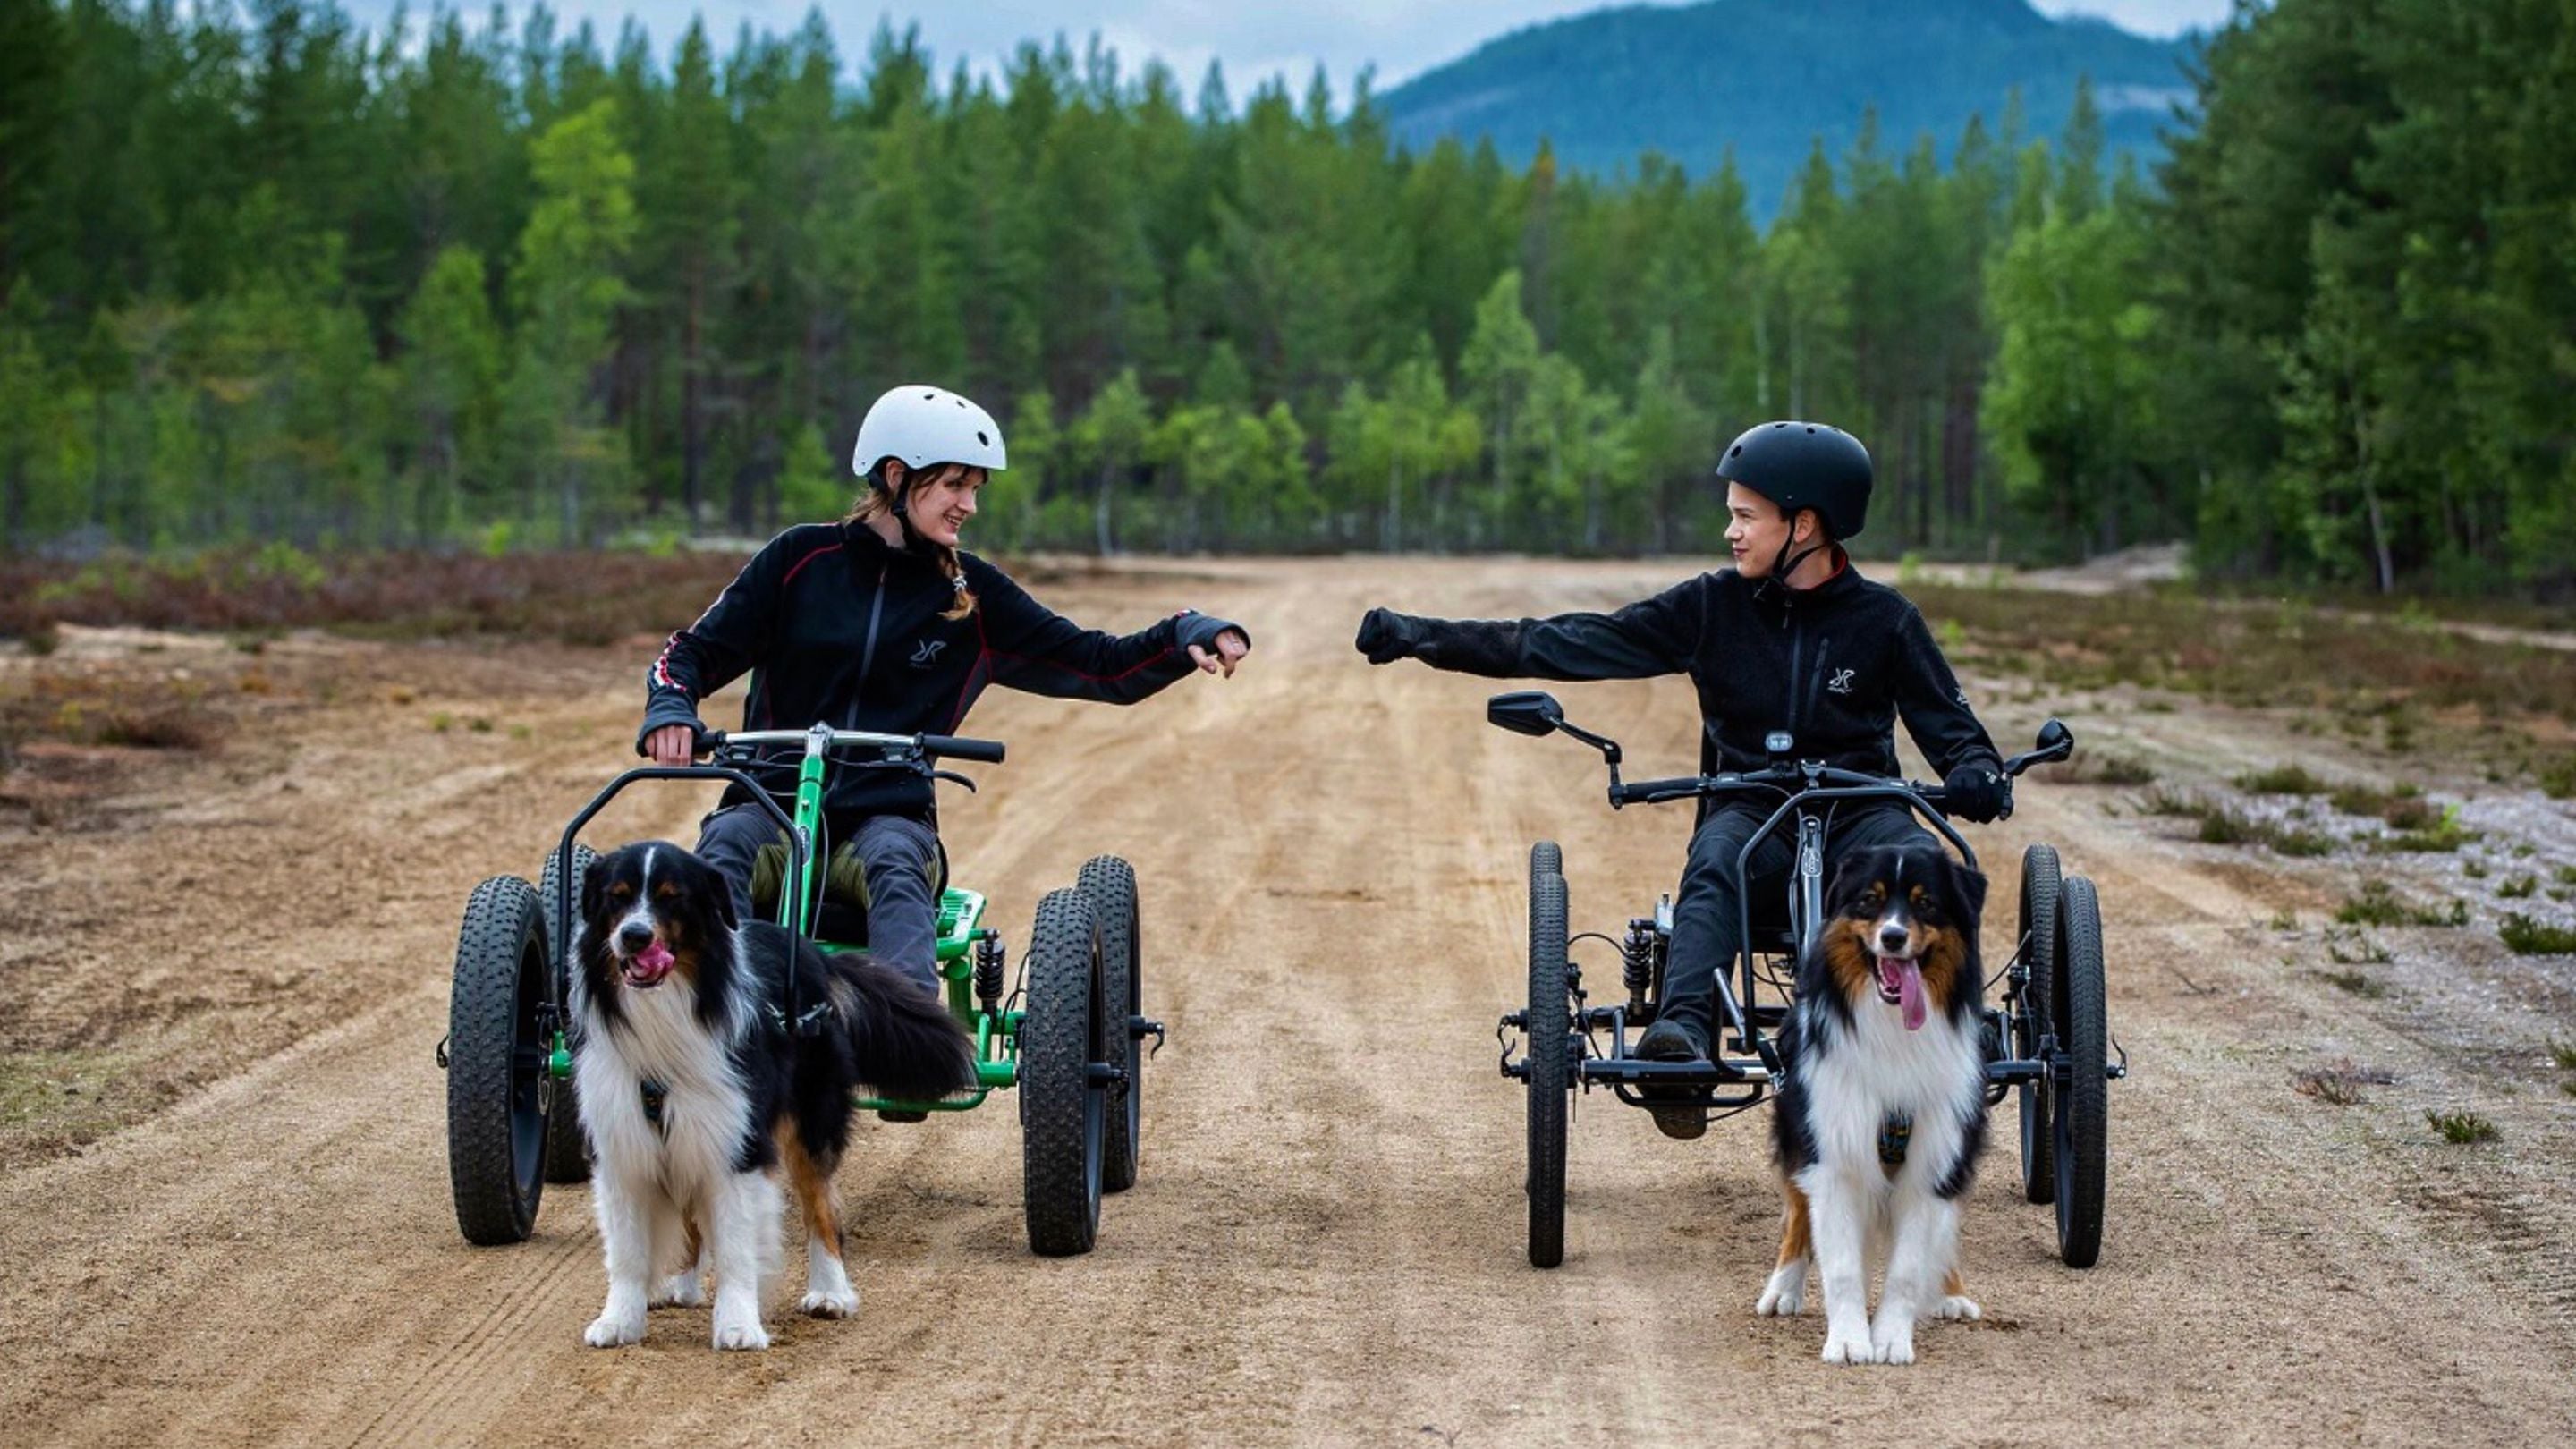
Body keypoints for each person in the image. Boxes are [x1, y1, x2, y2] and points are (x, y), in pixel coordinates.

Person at [1354, 420, 2004, 1140]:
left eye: (1745, 516)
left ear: (1806, 524)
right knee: (1715, 861)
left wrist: (1976, 772)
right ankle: (1683, 1041)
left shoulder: (1885, 620)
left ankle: (1926, 1043)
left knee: (1916, 864)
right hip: (1753, 807)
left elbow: (1953, 730)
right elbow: (1560, 640)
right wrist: (1421, 636)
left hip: (1862, 810)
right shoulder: (1709, 607)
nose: (1730, 532)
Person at [640, 384, 1250, 997]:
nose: (969, 506)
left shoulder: (971, 595)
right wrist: (672, 709)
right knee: (721, 847)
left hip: (888, 816)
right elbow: (691, 653)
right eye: (956, 485)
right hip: (770, 805)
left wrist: (1181, 634)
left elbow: (1100, 663)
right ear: (899, 476)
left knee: (897, 865)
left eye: (976, 489)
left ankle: (903, 1042)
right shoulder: (799, 561)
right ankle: (719, 1020)